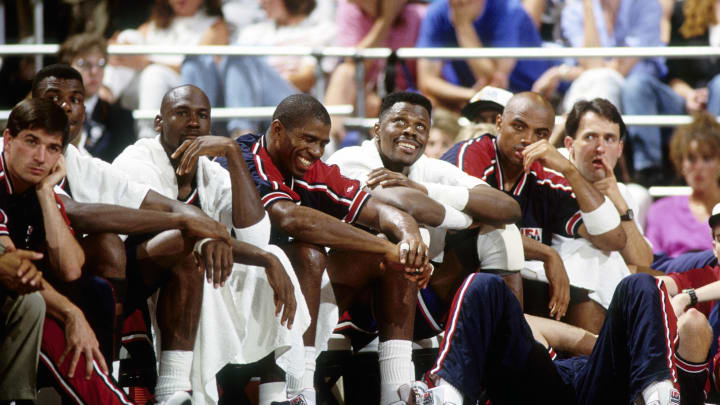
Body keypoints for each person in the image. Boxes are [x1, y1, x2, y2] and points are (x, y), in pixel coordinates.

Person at [30, 64, 237, 404]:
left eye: (75, 99)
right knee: (108, 244)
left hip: (78, 276)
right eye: (53, 98)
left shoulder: (83, 162)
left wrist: (210, 229)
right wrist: (183, 222)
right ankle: (108, 378)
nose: (65, 107)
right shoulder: (19, 152)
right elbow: (76, 214)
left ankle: (174, 388)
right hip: (31, 274)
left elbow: (158, 203)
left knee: (184, 247)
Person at [112, 85, 311, 405]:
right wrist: (215, 238)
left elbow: (256, 237)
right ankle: (172, 391)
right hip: (131, 273)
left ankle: (278, 395)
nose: (193, 122)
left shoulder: (210, 172)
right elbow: (177, 225)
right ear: (159, 123)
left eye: (202, 116)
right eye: (182, 113)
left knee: (274, 254)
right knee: (190, 250)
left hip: (185, 266)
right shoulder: (136, 159)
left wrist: (233, 153)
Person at [233, 94, 432, 405]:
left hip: (284, 290)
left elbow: (380, 211)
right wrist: (384, 247)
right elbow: (291, 219)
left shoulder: (313, 169)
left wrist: (410, 239)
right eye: (309, 140)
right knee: (307, 252)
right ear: (277, 130)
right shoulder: (246, 157)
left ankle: (397, 392)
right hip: (228, 279)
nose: (316, 152)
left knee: (399, 256)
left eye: (323, 144)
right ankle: (298, 390)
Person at [326, 91, 523, 344]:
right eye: (400, 122)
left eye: (420, 126)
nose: (410, 131)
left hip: (419, 292)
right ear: (377, 129)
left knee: (503, 234)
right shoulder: (350, 159)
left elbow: (508, 208)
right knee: (399, 245)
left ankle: (512, 349)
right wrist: (467, 219)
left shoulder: (429, 168)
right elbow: (406, 202)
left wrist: (426, 189)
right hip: (350, 298)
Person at [442, 92, 627, 333]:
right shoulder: (473, 154)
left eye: (540, 134)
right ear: (499, 123)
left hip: (521, 290)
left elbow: (613, 239)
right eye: (519, 127)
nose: (527, 139)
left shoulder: (544, 179)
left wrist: (569, 170)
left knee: (588, 284)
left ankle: (584, 367)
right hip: (460, 281)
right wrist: (547, 254)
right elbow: (472, 226)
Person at [0, 98, 137, 404]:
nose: (40, 157)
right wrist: (71, 313)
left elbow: (71, 268)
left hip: (19, 296)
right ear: (8, 140)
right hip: (14, 295)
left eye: (52, 148)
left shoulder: (39, 185)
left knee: (88, 294)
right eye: (31, 142)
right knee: (37, 305)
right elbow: (13, 268)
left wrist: (47, 193)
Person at [419, 271, 710, 405]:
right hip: (538, 387)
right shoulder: (512, 321)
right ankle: (446, 396)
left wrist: (622, 340)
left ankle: (658, 396)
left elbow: (588, 341)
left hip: (595, 382)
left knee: (640, 283)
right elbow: (583, 339)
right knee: (480, 283)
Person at [181, 0, 335, 137]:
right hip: (246, 100)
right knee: (197, 61)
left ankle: (243, 138)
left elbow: (307, 79)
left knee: (240, 55)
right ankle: (192, 135)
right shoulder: (253, 32)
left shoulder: (321, 31)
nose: (261, 3)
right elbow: (232, 75)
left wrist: (258, 82)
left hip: (294, 104)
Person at [557, 98, 654, 309]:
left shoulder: (622, 192)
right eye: (590, 137)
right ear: (569, 145)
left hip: (611, 295)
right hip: (570, 292)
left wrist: (618, 201)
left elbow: (643, 260)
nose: (600, 148)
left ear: (620, 149)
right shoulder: (554, 181)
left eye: (609, 139)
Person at [621, 0, 720, 185]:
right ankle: (648, 172)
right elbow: (672, 72)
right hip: (684, 98)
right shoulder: (684, 10)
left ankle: (714, 164)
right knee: (636, 85)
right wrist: (690, 95)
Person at [415, 0, 555, 111]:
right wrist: (470, 95)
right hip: (469, 99)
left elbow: (495, 80)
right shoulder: (437, 11)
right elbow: (426, 81)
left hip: (526, 96)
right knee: (425, 103)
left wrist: (463, 26)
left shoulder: (509, 9)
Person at [104, 0, 228, 120]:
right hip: (141, 87)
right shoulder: (155, 23)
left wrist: (147, 64)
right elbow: (129, 51)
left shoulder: (214, 25)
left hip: (182, 89)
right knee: (128, 36)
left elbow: (198, 69)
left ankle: (148, 133)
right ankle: (105, 94)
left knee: (155, 73)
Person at [323, 0, 427, 143]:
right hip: (365, 95)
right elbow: (354, 62)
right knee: (344, 73)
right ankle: (328, 144)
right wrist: (385, 20)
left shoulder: (419, 14)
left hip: (404, 97)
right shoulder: (349, 8)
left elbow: (425, 79)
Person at [645, 112, 720, 259]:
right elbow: (652, 264)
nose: (698, 167)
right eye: (691, 158)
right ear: (681, 162)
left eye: (707, 158)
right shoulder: (660, 211)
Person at [58, 33, 137, 163]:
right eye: (84, 64)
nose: (94, 71)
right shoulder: (51, 114)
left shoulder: (122, 118)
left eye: (100, 64)